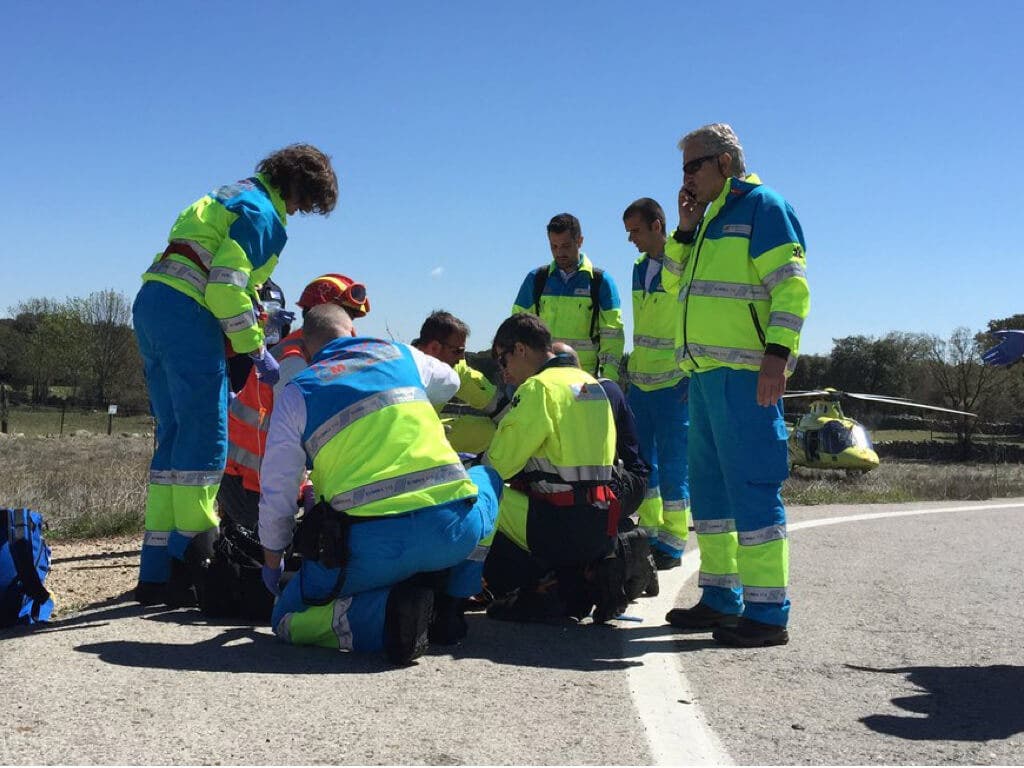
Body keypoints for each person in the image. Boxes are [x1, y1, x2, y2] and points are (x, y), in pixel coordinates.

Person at [132, 143, 338, 607]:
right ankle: (195, 564)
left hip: (152, 304)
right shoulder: (264, 213)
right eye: (304, 203)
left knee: (172, 440)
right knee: (205, 444)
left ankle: (156, 571)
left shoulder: (229, 194)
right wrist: (256, 351)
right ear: (297, 185)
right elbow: (226, 288)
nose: (298, 211)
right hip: (190, 315)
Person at [258, 304, 502, 662]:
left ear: (307, 349)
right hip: (451, 532)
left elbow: (278, 490)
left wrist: (272, 559)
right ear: (352, 333)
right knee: (489, 478)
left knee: (286, 619)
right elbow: (450, 380)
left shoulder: (298, 392)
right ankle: (454, 602)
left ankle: (390, 615)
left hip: (363, 550)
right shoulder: (401, 355)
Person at [660, 124, 809, 647]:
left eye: (692, 166)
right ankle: (722, 596)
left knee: (750, 487)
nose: (685, 178)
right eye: (682, 169)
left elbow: (791, 287)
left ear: (724, 163)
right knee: (710, 491)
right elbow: (674, 285)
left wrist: (777, 357)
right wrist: (682, 228)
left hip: (748, 376)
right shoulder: (704, 221)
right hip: (702, 377)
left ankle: (768, 613)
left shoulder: (763, 207)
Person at [482, 313, 623, 624]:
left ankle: (527, 590)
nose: (504, 373)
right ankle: (583, 578)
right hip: (602, 521)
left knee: (479, 496)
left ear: (519, 349)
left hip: (560, 527)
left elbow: (499, 465)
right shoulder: (590, 384)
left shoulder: (538, 389)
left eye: (502, 361)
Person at [218, 274, 371, 532]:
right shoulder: (294, 359)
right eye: (346, 315)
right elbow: (297, 427)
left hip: (268, 476)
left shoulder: (314, 354)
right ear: (321, 314)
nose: (349, 326)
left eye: (352, 318)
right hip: (250, 480)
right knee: (260, 552)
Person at [512, 213, 625, 383]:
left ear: (580, 241)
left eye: (565, 246)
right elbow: (516, 329)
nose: (559, 253)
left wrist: (607, 381)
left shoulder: (601, 282)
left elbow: (613, 336)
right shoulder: (535, 280)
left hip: (584, 381)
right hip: (542, 379)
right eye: (554, 246)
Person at [412, 310, 507, 453]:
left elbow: (496, 404)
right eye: (458, 351)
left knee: (490, 432)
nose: (462, 357)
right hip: (401, 442)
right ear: (434, 348)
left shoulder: (456, 368)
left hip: (428, 433)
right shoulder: (404, 371)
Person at [227, 278, 293, 393]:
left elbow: (282, 334)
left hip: (269, 361)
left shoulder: (275, 290)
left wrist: (284, 324)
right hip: (239, 361)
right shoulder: (236, 284)